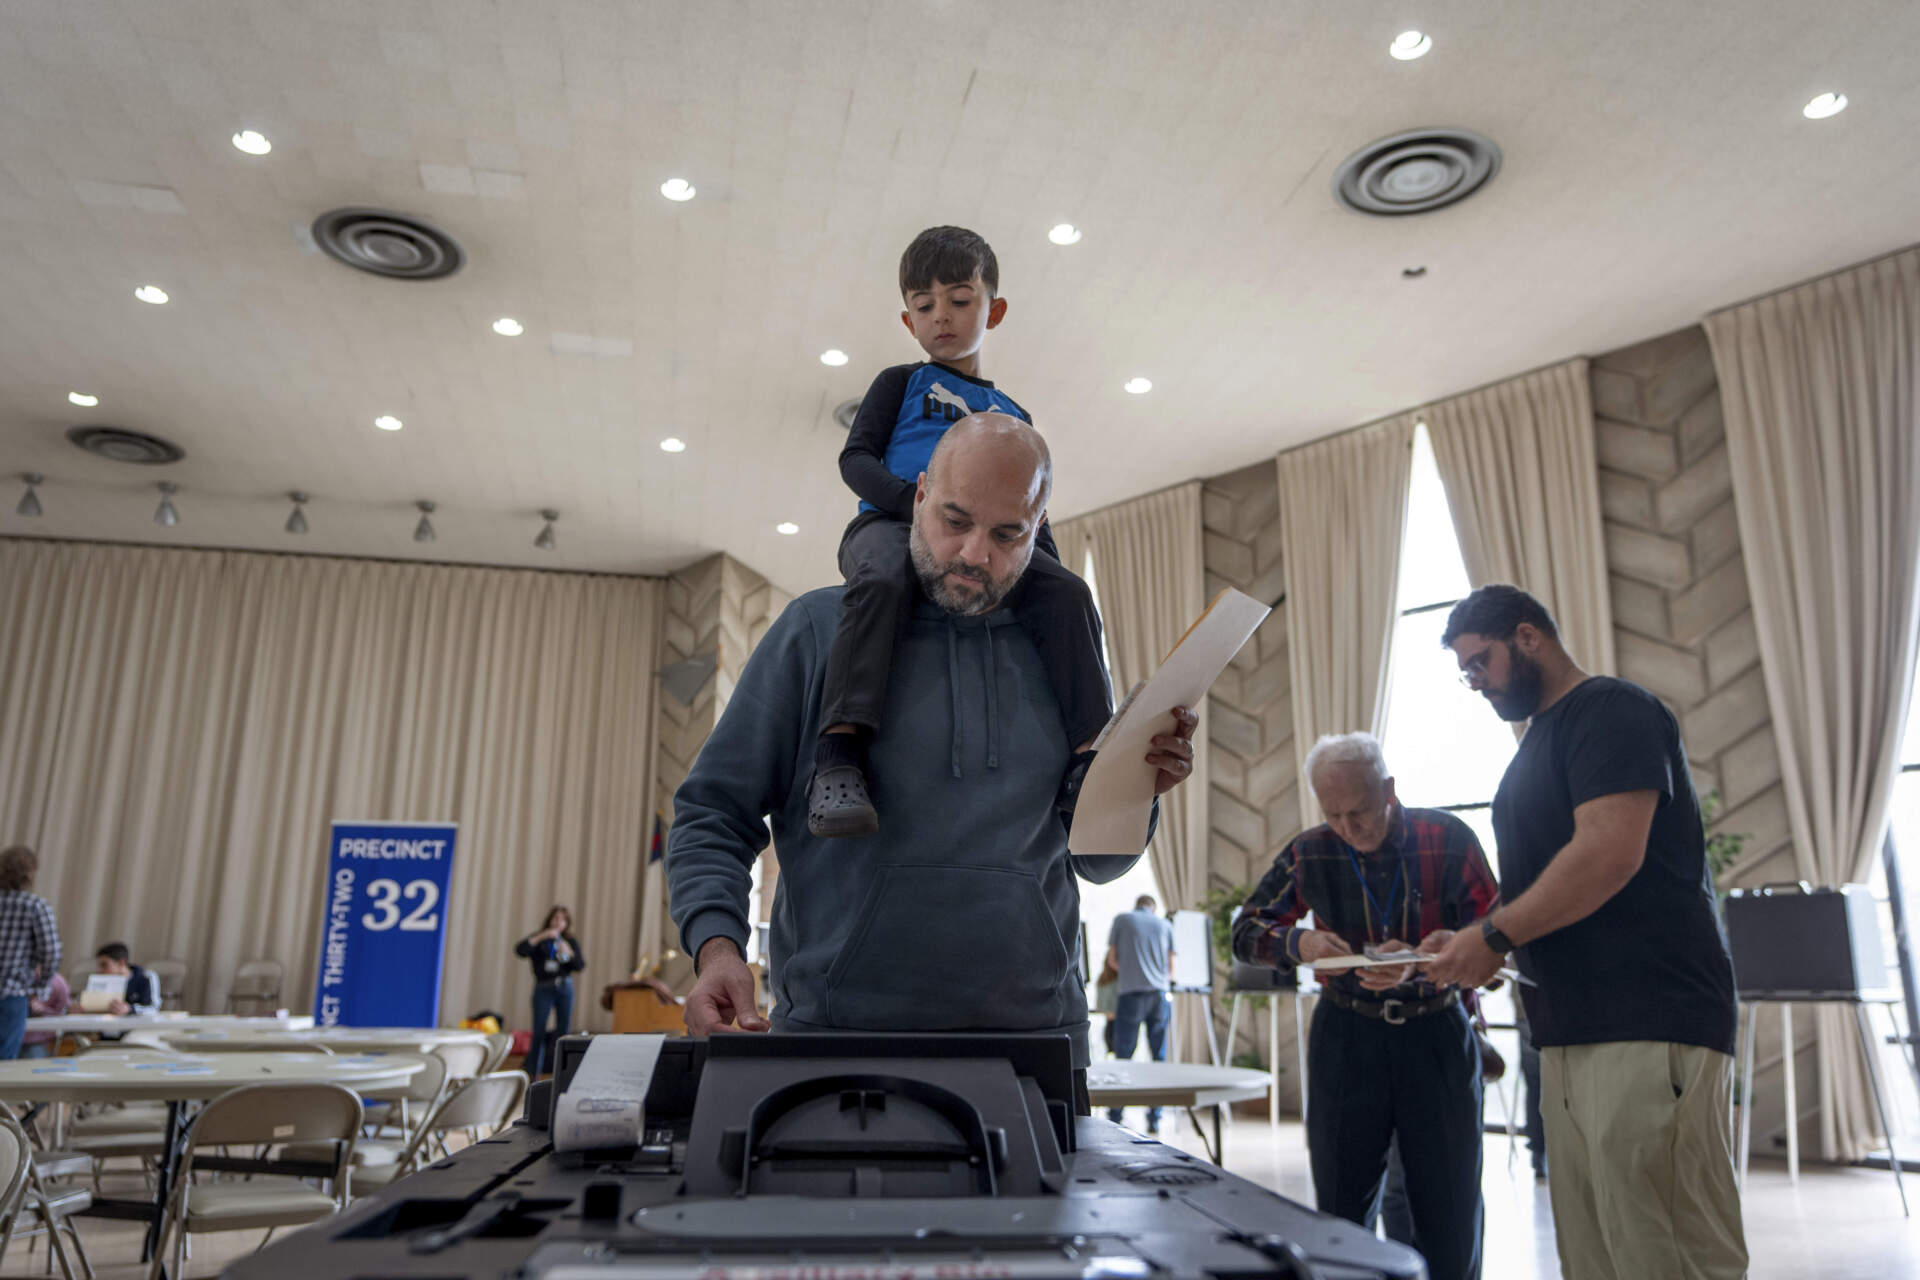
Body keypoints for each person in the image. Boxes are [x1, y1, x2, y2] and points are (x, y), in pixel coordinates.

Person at [669, 414, 1199, 1079]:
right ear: (917, 497)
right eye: (955, 520)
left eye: (1008, 534)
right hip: (837, 1041)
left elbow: (1097, 863)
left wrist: (1133, 790)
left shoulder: (1066, 655)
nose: (976, 553)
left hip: (1037, 1049)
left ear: (1039, 529)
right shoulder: (815, 632)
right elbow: (714, 813)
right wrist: (717, 949)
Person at [1423, 584, 1746, 1280]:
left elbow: (1608, 853)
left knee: (1665, 1249)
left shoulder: (1612, 710)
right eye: (1466, 672)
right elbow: (1545, 878)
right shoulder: (1537, 743)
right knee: (1596, 1253)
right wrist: (1470, 936)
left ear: (1528, 636)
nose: (1475, 683)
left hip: (1648, 1013)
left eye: (1481, 662)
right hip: (1570, 1028)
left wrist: (1497, 935)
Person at [812, 225, 1112, 838]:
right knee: (882, 578)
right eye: (924, 307)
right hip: (890, 526)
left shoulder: (1015, 416)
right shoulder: (900, 384)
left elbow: (1032, 512)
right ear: (907, 320)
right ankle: (839, 754)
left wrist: (1041, 564)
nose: (940, 317)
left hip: (987, 538)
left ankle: (1090, 757)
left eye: (958, 299)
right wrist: (912, 507)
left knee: (1071, 595)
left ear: (993, 309)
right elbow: (856, 460)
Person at [1232, 733, 1499, 1280]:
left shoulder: (1446, 838)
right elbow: (1246, 930)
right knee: (1340, 1208)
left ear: (1389, 790)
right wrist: (1297, 944)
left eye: (1360, 811)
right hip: (1347, 1036)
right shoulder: (1310, 849)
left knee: (1451, 1213)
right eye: (1334, 815)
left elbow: (1499, 929)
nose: (1350, 830)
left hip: (1436, 1030)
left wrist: (1451, 943)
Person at [1103, 895, 1175, 1132]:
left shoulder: (1122, 920)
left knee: (1124, 1056)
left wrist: (1131, 971)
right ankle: (1155, 1118)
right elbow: (1171, 970)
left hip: (1131, 994)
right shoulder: (1165, 925)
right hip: (1159, 996)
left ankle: (1116, 1115)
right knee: (1158, 1058)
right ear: (1153, 908)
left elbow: (1112, 960)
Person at [0, 846, 62, 1059]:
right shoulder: (36, 906)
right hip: (13, 994)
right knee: (4, 1063)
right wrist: (41, 986)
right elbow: (51, 953)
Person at [515, 906, 585, 1078]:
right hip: (543, 987)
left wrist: (569, 952)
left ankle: (560, 1076)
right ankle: (533, 1077)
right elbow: (520, 950)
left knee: (563, 1033)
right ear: (549, 919)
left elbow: (580, 966)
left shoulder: (569, 941)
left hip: (564, 987)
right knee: (538, 1032)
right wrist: (542, 936)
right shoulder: (540, 939)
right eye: (555, 918)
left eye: (562, 919)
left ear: (566, 923)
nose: (558, 922)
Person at [93, 942, 158, 1015]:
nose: (99, 971)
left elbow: (154, 1009)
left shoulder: (146, 977)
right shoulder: (101, 979)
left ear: (121, 963)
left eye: (104, 965)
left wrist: (130, 1009)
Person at [21, 971, 69, 1058]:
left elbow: (63, 1012)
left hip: (37, 1041)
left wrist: (43, 1010)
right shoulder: (14, 979)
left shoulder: (58, 982)